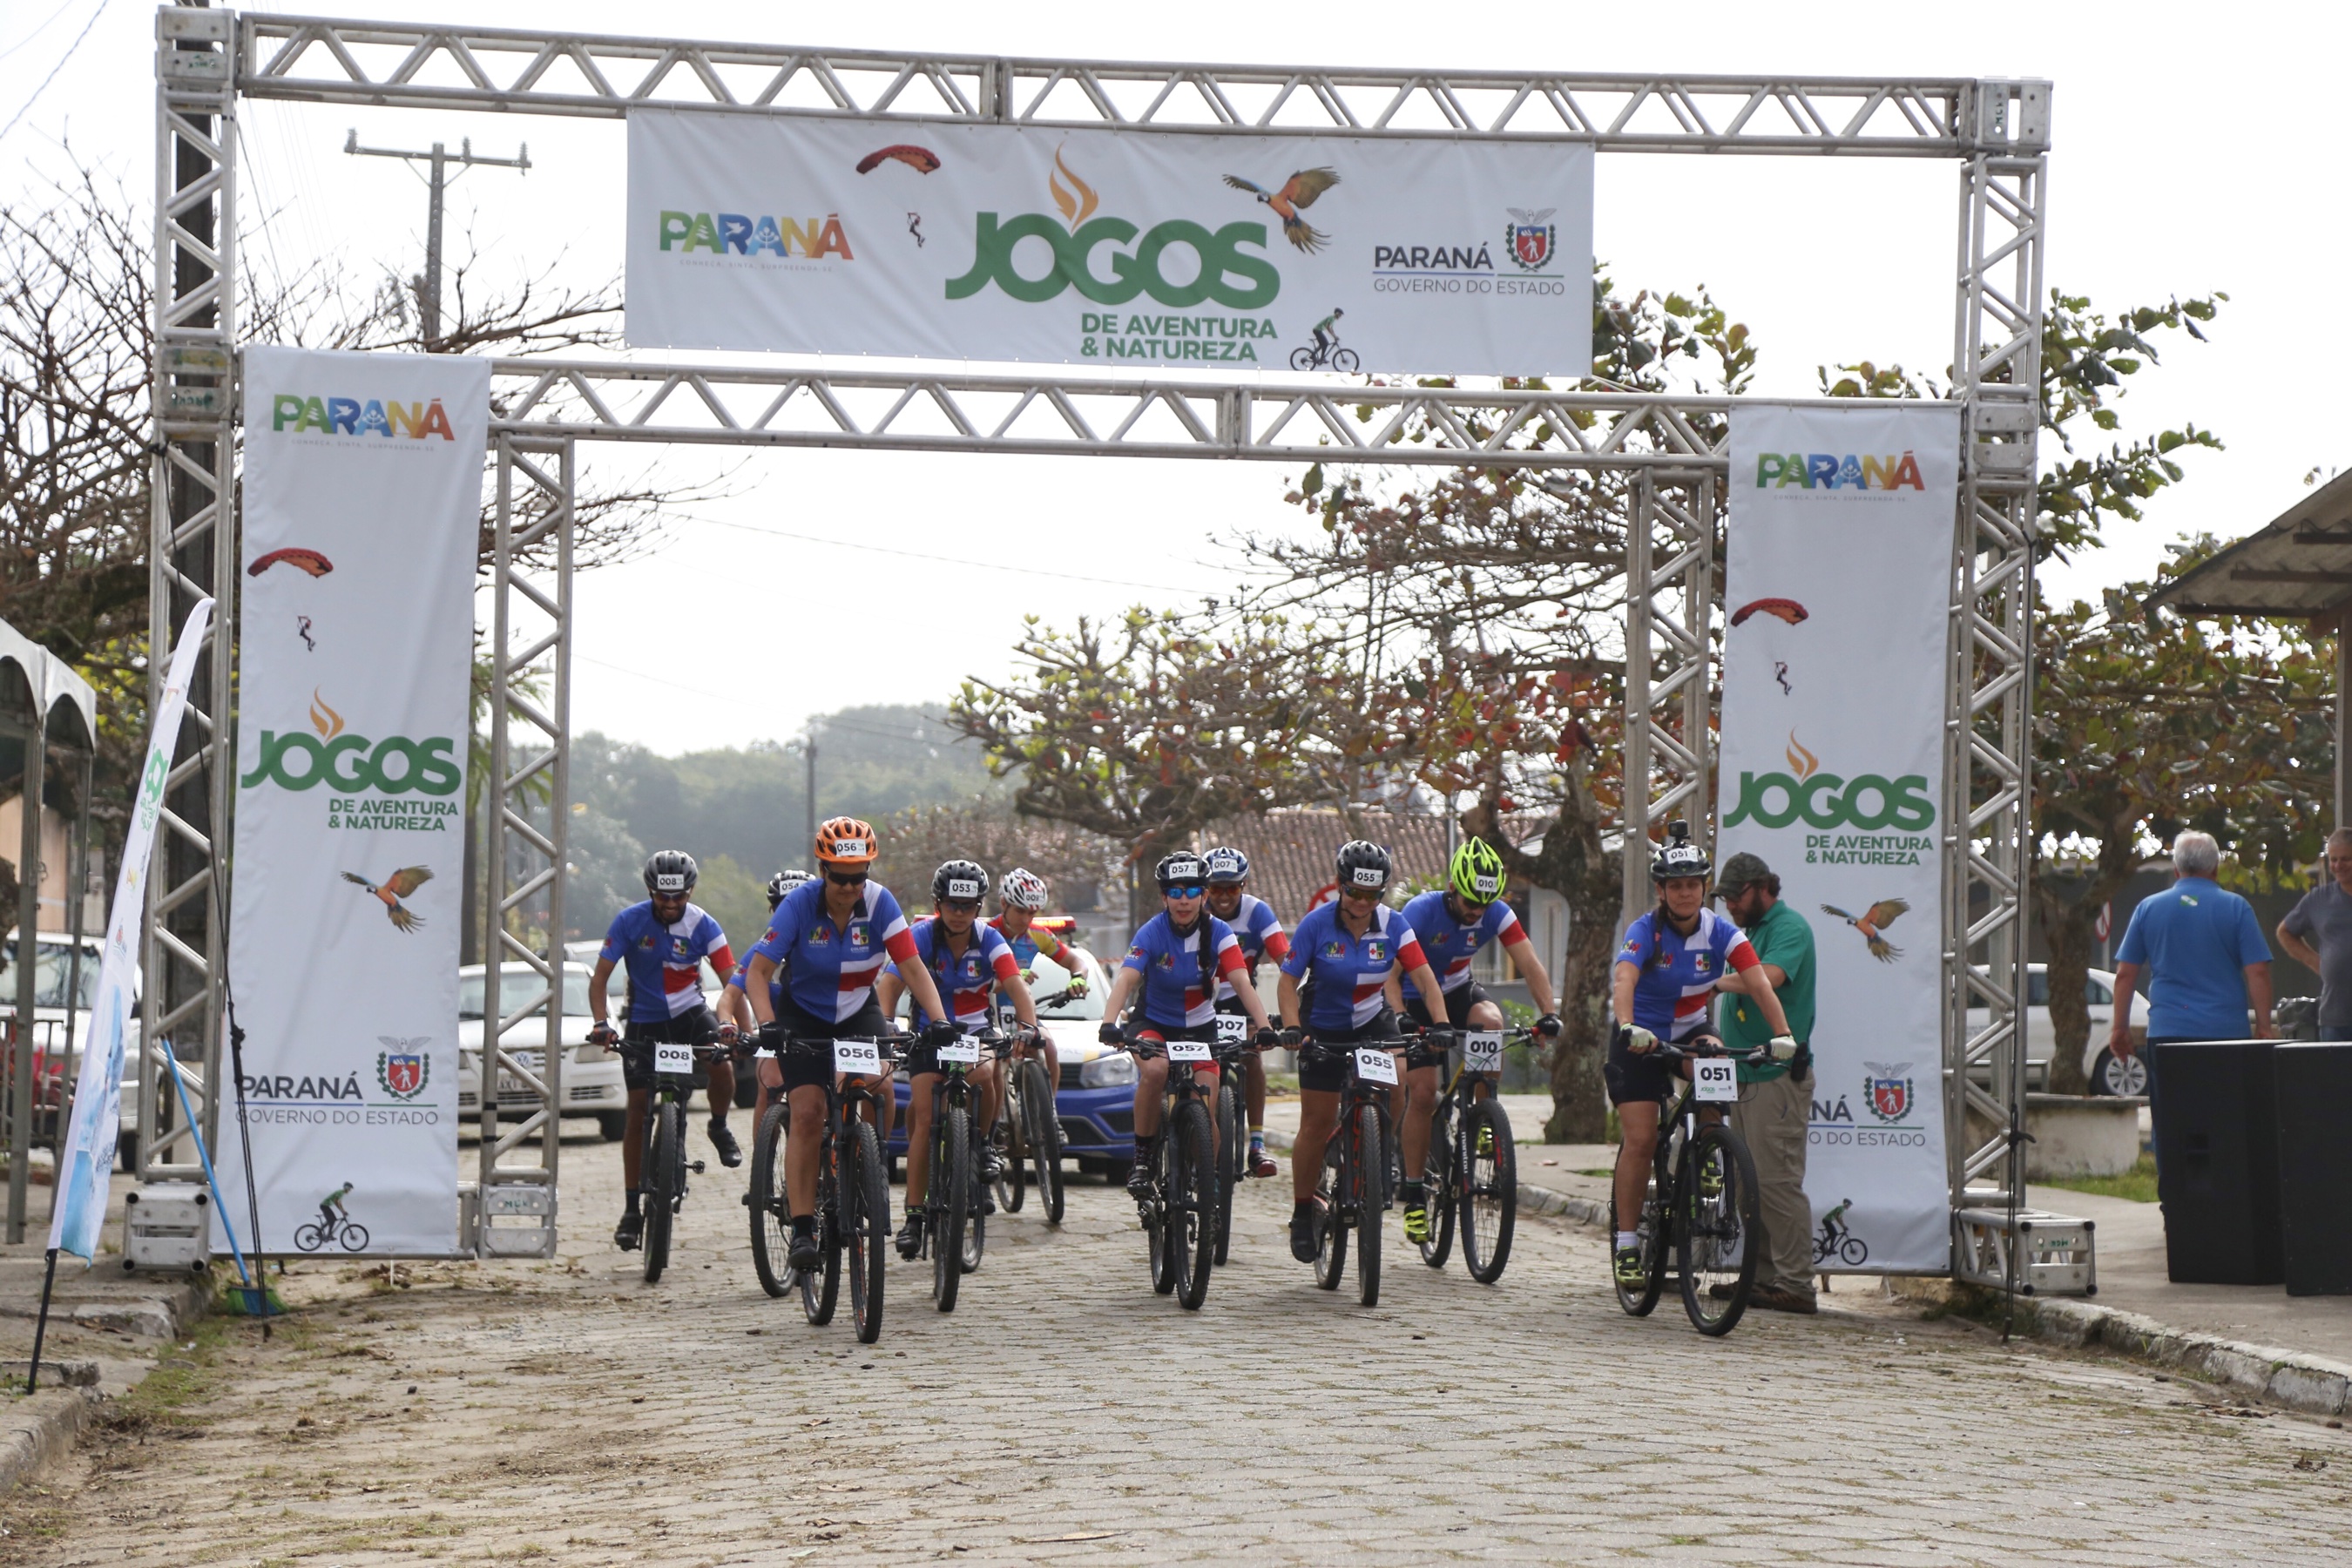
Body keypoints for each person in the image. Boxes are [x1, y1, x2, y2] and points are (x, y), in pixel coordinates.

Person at [743, 817, 959, 1274]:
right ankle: (803, 1226)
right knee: (806, 1112)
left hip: (858, 1010)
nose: (849, 887)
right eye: (840, 878)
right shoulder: (799, 905)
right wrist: (767, 1024)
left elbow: (913, 967)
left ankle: (868, 1166)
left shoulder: (880, 903)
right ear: (823, 870)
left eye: (858, 876)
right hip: (803, 1015)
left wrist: (939, 1021)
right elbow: (758, 973)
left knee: (875, 1085)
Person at [1607, 825, 1797, 1290]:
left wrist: (1783, 1035)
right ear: (1662, 891)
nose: (1686, 893)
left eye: (1694, 884)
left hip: (1691, 1029)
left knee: (1715, 1062)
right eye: (1676, 885)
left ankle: (1711, 1149)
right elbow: (1624, 981)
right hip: (1642, 1037)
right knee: (1642, 1139)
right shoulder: (1644, 931)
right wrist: (1630, 1026)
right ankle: (1628, 1244)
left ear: (1704, 888)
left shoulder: (1722, 932)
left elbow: (1757, 981)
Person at [1276, 840, 1451, 1262]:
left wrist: (1441, 1023)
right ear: (1340, 886)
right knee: (1316, 1123)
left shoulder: (1394, 925)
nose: (1362, 902)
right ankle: (1303, 1211)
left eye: (1372, 895)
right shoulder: (1316, 925)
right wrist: (1294, 1028)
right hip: (1323, 1021)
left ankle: (1376, 1156)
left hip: (1373, 1018)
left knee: (1397, 1082)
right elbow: (1286, 983)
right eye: (1355, 892)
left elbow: (1425, 978)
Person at [1396, 840, 1565, 1243]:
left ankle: (1483, 1108)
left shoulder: (1496, 912)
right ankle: (1416, 1194)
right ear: (1454, 887)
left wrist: (1549, 1014)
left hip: (1456, 991)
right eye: (1471, 901)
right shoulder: (1420, 910)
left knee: (1490, 1021)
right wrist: (1398, 1014)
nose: (1477, 911)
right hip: (1413, 999)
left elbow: (1529, 963)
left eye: (1484, 904)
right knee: (1422, 1094)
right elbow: (1388, 966)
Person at [1094, 849, 1277, 1206]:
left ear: (1204, 895)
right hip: (1154, 1025)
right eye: (1174, 892)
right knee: (1156, 1072)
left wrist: (1265, 1026)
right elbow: (1127, 979)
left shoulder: (1220, 933)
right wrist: (1108, 1023)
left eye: (1192, 891)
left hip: (1200, 1030)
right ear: (1164, 897)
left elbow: (1241, 981)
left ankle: (1205, 1181)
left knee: (1204, 1101)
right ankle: (1144, 1160)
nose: (1183, 899)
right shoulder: (1151, 932)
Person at [877, 860, 1039, 1258]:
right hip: (928, 1034)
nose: (960, 913)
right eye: (953, 905)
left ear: (980, 907)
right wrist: (885, 1024)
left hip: (974, 1031)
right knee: (924, 1120)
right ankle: (914, 1217)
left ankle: (982, 1144)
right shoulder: (918, 937)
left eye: (969, 907)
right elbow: (890, 984)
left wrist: (1029, 1027)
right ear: (938, 903)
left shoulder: (990, 940)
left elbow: (1017, 989)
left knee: (986, 1072)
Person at [587, 850, 740, 1253]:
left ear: (689, 892)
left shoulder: (704, 924)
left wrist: (739, 1028)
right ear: (650, 891)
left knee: (721, 1068)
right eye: (662, 897)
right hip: (644, 1020)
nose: (670, 905)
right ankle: (631, 1209)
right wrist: (602, 1023)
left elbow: (732, 981)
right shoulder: (629, 921)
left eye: (679, 897)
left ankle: (719, 1125)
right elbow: (600, 979)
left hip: (690, 1014)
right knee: (637, 1111)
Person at [2107, 830, 2274, 1146]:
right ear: (2216, 868)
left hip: (2169, 1033)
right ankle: (2225, 1188)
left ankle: (2173, 1191)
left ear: (2176, 869)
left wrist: (2120, 1028)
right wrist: (2264, 1026)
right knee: (2226, 1118)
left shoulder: (2148, 908)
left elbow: (2125, 975)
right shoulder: (2237, 908)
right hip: (2226, 1034)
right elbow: (2258, 972)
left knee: (2171, 1119)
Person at [1713, 851, 1819, 1315]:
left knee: (1775, 1182)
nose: (1731, 905)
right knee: (1744, 1182)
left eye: (1737, 896)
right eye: (1727, 898)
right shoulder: (1750, 931)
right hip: (1743, 1073)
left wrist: (1715, 983)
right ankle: (1760, 1278)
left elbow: (1770, 978)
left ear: (1761, 888)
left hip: (1775, 1077)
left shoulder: (1789, 927)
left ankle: (1796, 1284)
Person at [1202, 845, 1293, 1179]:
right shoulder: (1193, 911)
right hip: (1199, 1000)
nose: (1224, 896)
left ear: (1244, 885)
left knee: (1253, 1057)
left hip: (1242, 998)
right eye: (1216, 888)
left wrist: (1297, 998)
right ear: (1205, 888)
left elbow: (1287, 960)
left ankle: (1256, 1143)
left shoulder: (1258, 912)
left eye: (1233, 888)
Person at [721, 868, 815, 1124]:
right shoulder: (761, 951)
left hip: (818, 1031)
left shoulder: (824, 944)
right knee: (769, 1088)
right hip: (777, 1034)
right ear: (773, 912)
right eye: (783, 908)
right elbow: (729, 996)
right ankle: (762, 1161)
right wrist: (726, 1024)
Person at [990, 866, 1082, 1089]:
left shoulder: (1037, 935)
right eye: (1020, 911)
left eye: (1032, 913)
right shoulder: (986, 933)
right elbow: (975, 981)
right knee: (994, 1062)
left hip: (1021, 1011)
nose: (1026, 919)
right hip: (989, 1011)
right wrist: (1010, 978)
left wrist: (1078, 977)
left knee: (1048, 1048)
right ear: (1004, 904)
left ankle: (1050, 1115)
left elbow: (1075, 961)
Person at [2277, 827, 2352, 1041]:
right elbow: (2285, 932)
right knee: (2334, 1075)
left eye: (2346, 859)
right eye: (2333, 859)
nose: (2338, 866)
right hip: (2336, 1018)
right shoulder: (2318, 899)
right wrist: (2316, 962)